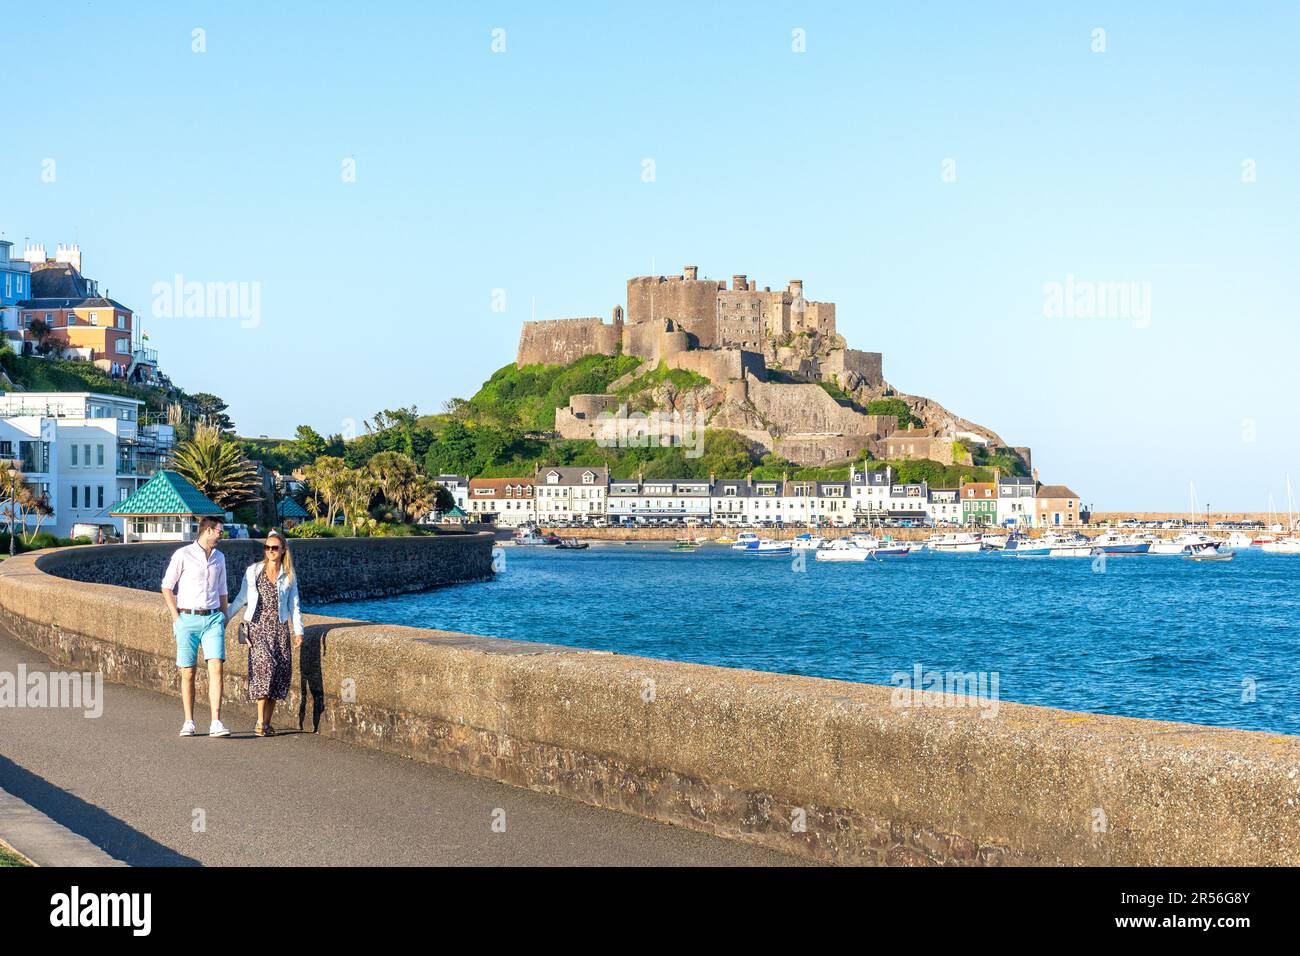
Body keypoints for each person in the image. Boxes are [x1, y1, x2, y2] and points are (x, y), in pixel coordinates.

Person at [227, 529, 303, 736]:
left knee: (278, 676)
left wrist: (299, 631)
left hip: (279, 629)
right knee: (265, 670)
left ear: (283, 550)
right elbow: (241, 598)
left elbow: (294, 605)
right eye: (267, 547)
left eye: (274, 548)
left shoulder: (288, 576)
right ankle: (260, 722)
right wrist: (225, 618)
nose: (270, 551)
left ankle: (267, 723)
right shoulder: (253, 571)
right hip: (257, 628)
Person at [160, 516, 231, 737]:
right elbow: (167, 586)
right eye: (219, 531)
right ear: (207, 530)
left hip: (212, 619)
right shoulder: (183, 555)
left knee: (216, 668)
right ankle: (189, 721)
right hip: (187, 618)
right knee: (188, 672)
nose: (222, 534)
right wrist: (176, 617)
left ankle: (216, 722)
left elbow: (223, 590)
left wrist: (224, 616)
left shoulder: (220, 557)